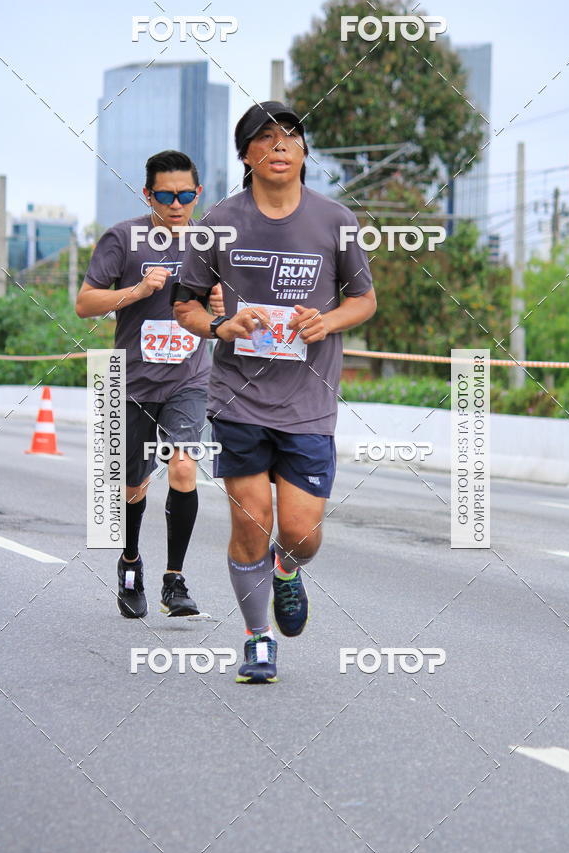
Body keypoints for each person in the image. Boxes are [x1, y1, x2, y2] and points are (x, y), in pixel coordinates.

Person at [172, 102, 376, 682]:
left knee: (300, 532)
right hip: (237, 397)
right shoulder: (219, 222)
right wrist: (220, 326)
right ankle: (257, 639)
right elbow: (184, 304)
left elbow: (364, 299)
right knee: (250, 524)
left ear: (304, 152)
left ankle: (288, 569)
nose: (279, 144)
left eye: (291, 135)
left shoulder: (335, 220)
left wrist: (327, 321)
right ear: (247, 156)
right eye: (265, 137)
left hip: (309, 402)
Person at [77, 150, 223, 619]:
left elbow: (232, 311)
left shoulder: (213, 242)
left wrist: (222, 306)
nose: (176, 204)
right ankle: (130, 561)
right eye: (165, 195)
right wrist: (136, 292)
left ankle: (174, 581)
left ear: (198, 194)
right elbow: (85, 304)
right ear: (148, 194)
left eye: (185, 195)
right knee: (132, 486)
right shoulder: (123, 238)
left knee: (184, 468)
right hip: (133, 382)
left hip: (190, 378)